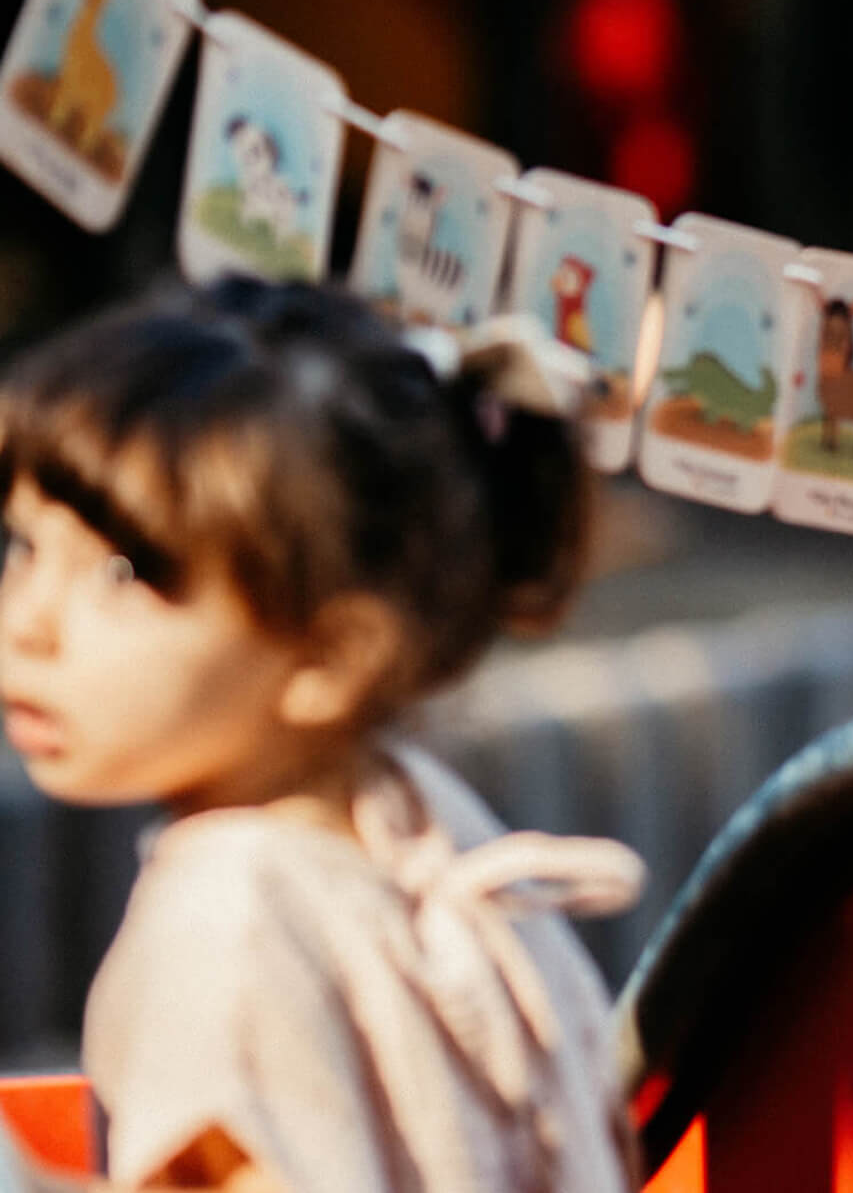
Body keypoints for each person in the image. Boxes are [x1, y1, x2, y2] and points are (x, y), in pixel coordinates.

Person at [0, 277, 644, 1190]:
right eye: (24, 546)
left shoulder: (226, 916)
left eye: (121, 572)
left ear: (329, 658)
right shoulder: (418, 818)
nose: (28, 620)